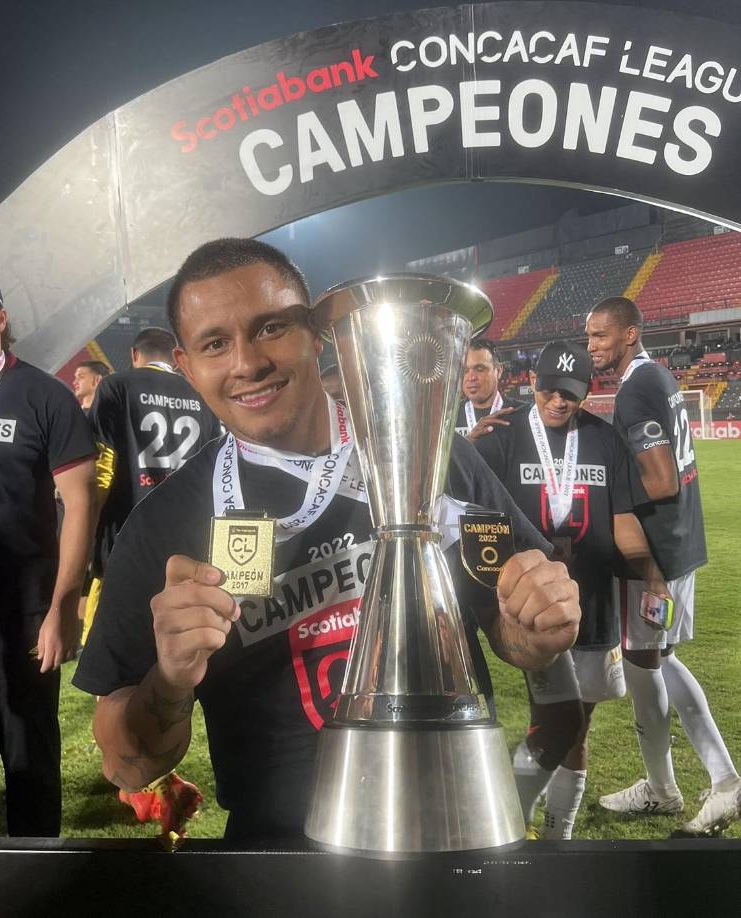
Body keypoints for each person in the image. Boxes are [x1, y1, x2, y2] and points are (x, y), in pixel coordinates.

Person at [73, 238, 581, 843]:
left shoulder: (439, 455)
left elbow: (512, 634)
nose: (247, 362)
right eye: (215, 343)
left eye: (271, 328)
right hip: (282, 849)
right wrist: (170, 679)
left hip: (453, 817)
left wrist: (540, 624)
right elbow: (126, 763)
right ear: (186, 366)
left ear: (318, 335)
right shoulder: (165, 524)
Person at [476, 341, 669, 839]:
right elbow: (466, 504)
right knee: (554, 721)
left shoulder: (603, 439)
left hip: (595, 605)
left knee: (577, 727)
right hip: (534, 608)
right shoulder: (502, 436)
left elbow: (624, 519)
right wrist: (464, 443)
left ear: (586, 393)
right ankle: (511, 823)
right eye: (551, 390)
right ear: (532, 384)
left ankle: (556, 834)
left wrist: (652, 574)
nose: (560, 401)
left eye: (572, 393)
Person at [586, 296, 741, 835]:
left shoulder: (634, 392)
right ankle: (698, 782)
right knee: (657, 657)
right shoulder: (661, 379)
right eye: (588, 338)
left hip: (655, 554)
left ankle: (694, 784)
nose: (592, 347)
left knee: (645, 661)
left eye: (600, 336)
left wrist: (605, 498)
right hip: (679, 542)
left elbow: (661, 480)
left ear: (629, 335)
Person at [0, 265, 97, 836]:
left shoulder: (42, 394)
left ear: (0, 320)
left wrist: (64, 605)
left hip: (20, 618)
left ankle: (35, 885)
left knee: (29, 761)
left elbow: (80, 504)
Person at [82, 326, 221, 643]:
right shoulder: (200, 395)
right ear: (175, 358)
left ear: (134, 355)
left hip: (127, 530)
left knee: (114, 639)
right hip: (187, 535)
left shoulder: (116, 386)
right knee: (176, 634)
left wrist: (88, 523)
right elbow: (216, 468)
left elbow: (102, 466)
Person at [455, 337, 523, 441]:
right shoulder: (449, 418)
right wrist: (467, 442)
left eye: (479, 369)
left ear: (499, 371)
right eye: (465, 371)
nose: (471, 377)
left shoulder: (521, 413)